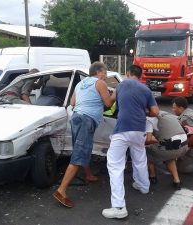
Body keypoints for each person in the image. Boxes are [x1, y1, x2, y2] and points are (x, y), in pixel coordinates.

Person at [53, 62, 115, 208]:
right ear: (99, 72)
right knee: (80, 153)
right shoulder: (100, 83)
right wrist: (115, 94)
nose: (105, 76)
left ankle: (88, 174)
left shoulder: (80, 84)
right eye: (105, 73)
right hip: (87, 119)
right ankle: (61, 190)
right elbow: (108, 104)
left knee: (82, 147)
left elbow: (73, 103)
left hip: (76, 118)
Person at [102, 65, 159, 219]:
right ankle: (143, 186)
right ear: (140, 76)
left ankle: (119, 207)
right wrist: (142, 110)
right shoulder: (145, 90)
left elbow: (109, 103)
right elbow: (155, 112)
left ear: (127, 74)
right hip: (139, 129)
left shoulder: (121, 85)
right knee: (140, 158)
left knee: (114, 165)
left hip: (122, 129)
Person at [145, 112, 189, 190]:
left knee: (147, 150)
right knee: (169, 154)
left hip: (171, 148)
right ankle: (177, 181)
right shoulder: (167, 114)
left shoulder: (149, 119)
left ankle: (152, 176)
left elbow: (148, 140)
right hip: (185, 145)